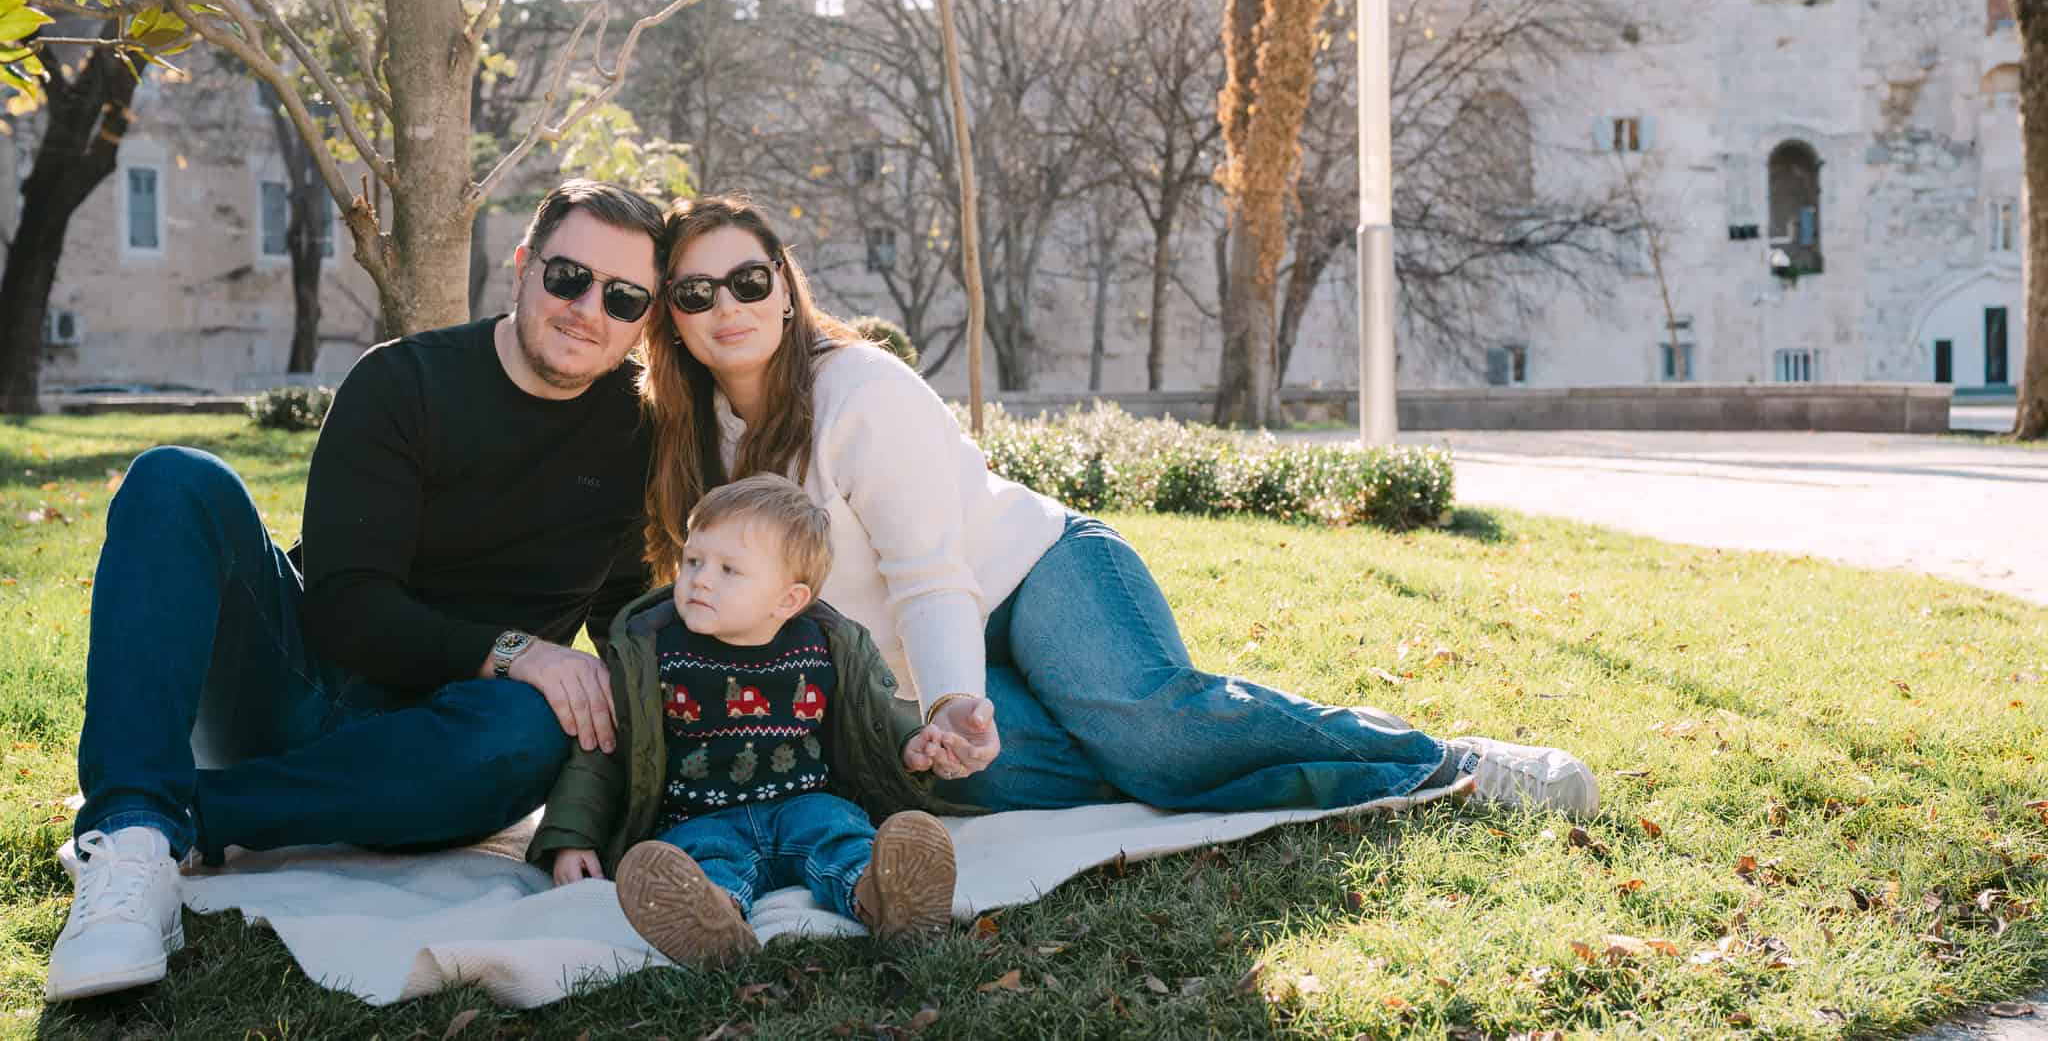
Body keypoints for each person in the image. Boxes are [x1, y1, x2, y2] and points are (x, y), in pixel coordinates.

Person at [639, 194, 1599, 824]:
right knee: (1003, 776)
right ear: (670, 318)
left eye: (750, 279)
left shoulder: (860, 390)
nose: (729, 304)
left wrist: (951, 702)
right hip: (906, 667)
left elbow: (932, 575)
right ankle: (1203, 753)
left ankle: (1443, 763)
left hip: (1034, 574)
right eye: (695, 290)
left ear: (786, 286)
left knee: (1153, 730)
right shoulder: (688, 441)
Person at [46, 180, 666, 1004]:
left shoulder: (636, 430)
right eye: (568, 277)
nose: (590, 307)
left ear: (646, 318)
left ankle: (189, 815)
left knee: (532, 727)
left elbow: (628, 625)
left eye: (623, 297)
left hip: (449, 748)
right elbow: (347, 608)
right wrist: (517, 651)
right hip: (296, 688)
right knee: (175, 479)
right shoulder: (405, 382)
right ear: (523, 265)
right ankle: (127, 843)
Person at [531, 472, 961, 964]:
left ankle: (886, 898)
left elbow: (873, 716)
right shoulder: (651, 654)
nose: (701, 579)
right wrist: (573, 837)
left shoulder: (825, 646)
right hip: (699, 816)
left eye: (729, 570)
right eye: (693, 561)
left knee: (841, 835)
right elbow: (602, 748)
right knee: (702, 858)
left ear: (788, 599)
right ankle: (711, 919)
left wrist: (911, 743)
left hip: (805, 802)